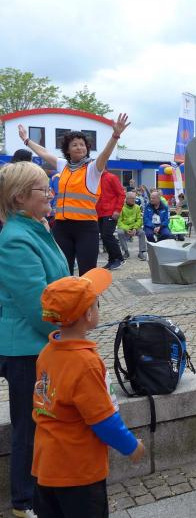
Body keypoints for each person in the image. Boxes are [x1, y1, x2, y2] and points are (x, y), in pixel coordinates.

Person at [34, 268, 145, 517]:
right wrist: (131, 446)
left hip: (46, 463)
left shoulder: (47, 353)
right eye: (97, 304)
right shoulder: (86, 363)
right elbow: (103, 419)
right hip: (78, 471)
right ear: (88, 314)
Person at [0, 162, 71, 518]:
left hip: (41, 344)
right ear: (19, 197)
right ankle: (23, 502)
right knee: (29, 428)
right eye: (43, 189)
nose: (50, 194)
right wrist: (70, 329)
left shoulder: (36, 227)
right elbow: (37, 304)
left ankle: (41, 493)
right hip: (27, 350)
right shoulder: (16, 238)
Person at [17, 115, 130, 275]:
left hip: (86, 228)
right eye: (74, 145)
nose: (79, 147)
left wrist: (115, 136)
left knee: (87, 274)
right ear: (68, 150)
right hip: (62, 227)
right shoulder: (64, 165)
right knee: (63, 272)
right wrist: (26, 140)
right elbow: (44, 153)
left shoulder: (92, 168)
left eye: (82, 145)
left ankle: (89, 293)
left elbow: (104, 154)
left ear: (87, 148)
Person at [96, 171, 126, 270]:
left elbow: (121, 194)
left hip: (110, 212)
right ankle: (112, 260)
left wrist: (117, 210)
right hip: (99, 213)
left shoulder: (111, 177)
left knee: (107, 235)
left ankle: (119, 258)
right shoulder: (95, 178)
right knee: (104, 237)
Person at [116, 191, 147, 261]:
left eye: (134, 198)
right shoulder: (121, 207)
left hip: (134, 227)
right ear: (126, 199)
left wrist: (135, 228)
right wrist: (127, 229)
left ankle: (141, 252)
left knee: (142, 233)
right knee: (120, 233)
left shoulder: (137, 207)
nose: (134, 200)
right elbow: (119, 222)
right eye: (132, 198)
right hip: (124, 227)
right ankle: (126, 252)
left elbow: (139, 220)